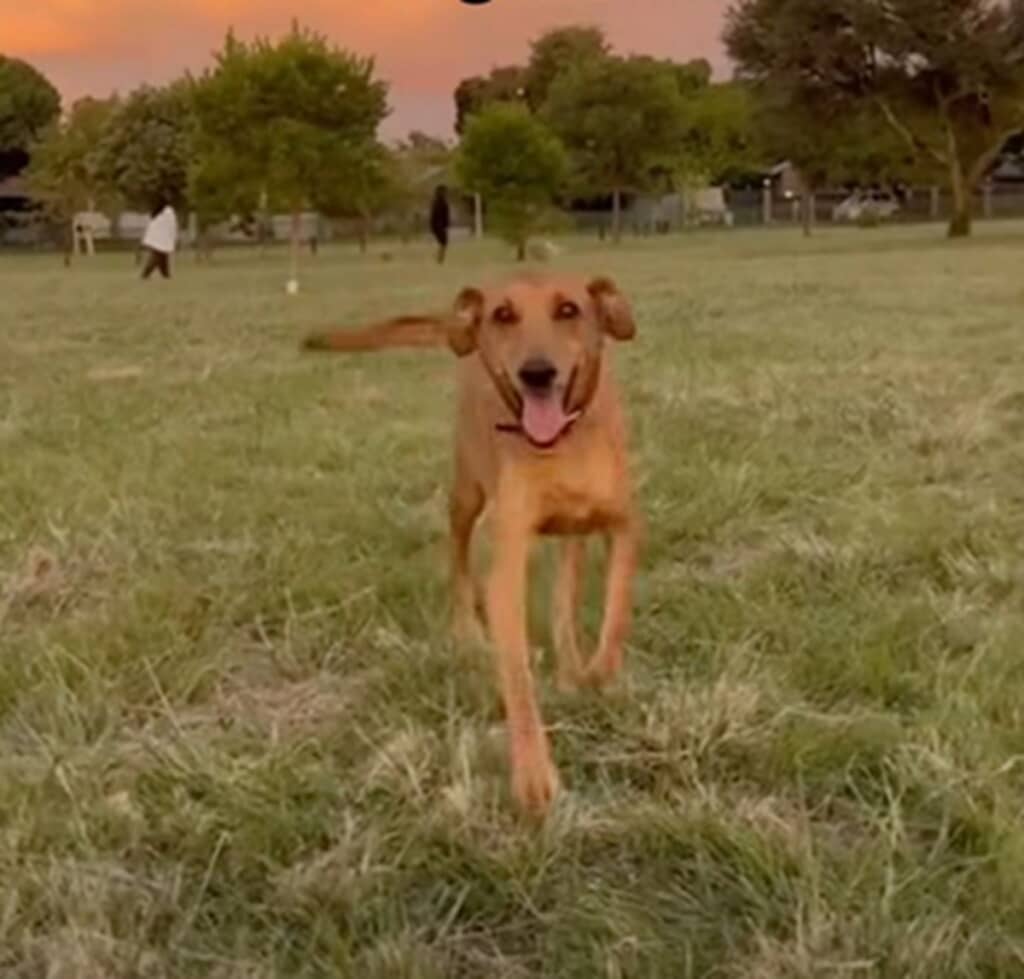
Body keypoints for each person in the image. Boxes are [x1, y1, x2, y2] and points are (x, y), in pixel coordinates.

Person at [140, 199, 178, 279]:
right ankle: (146, 274)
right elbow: (172, 226)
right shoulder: (168, 212)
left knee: (163, 257)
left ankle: (165, 274)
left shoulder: (158, 213)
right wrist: (174, 237)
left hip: (155, 238)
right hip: (161, 239)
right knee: (157, 257)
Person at [429, 184, 450, 264]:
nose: (446, 193)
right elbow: (434, 215)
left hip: (440, 225)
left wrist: (446, 224)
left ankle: (440, 258)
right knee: (443, 242)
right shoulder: (437, 202)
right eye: (444, 191)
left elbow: (445, 215)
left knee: (443, 243)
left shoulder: (443, 201)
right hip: (438, 225)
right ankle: (439, 259)